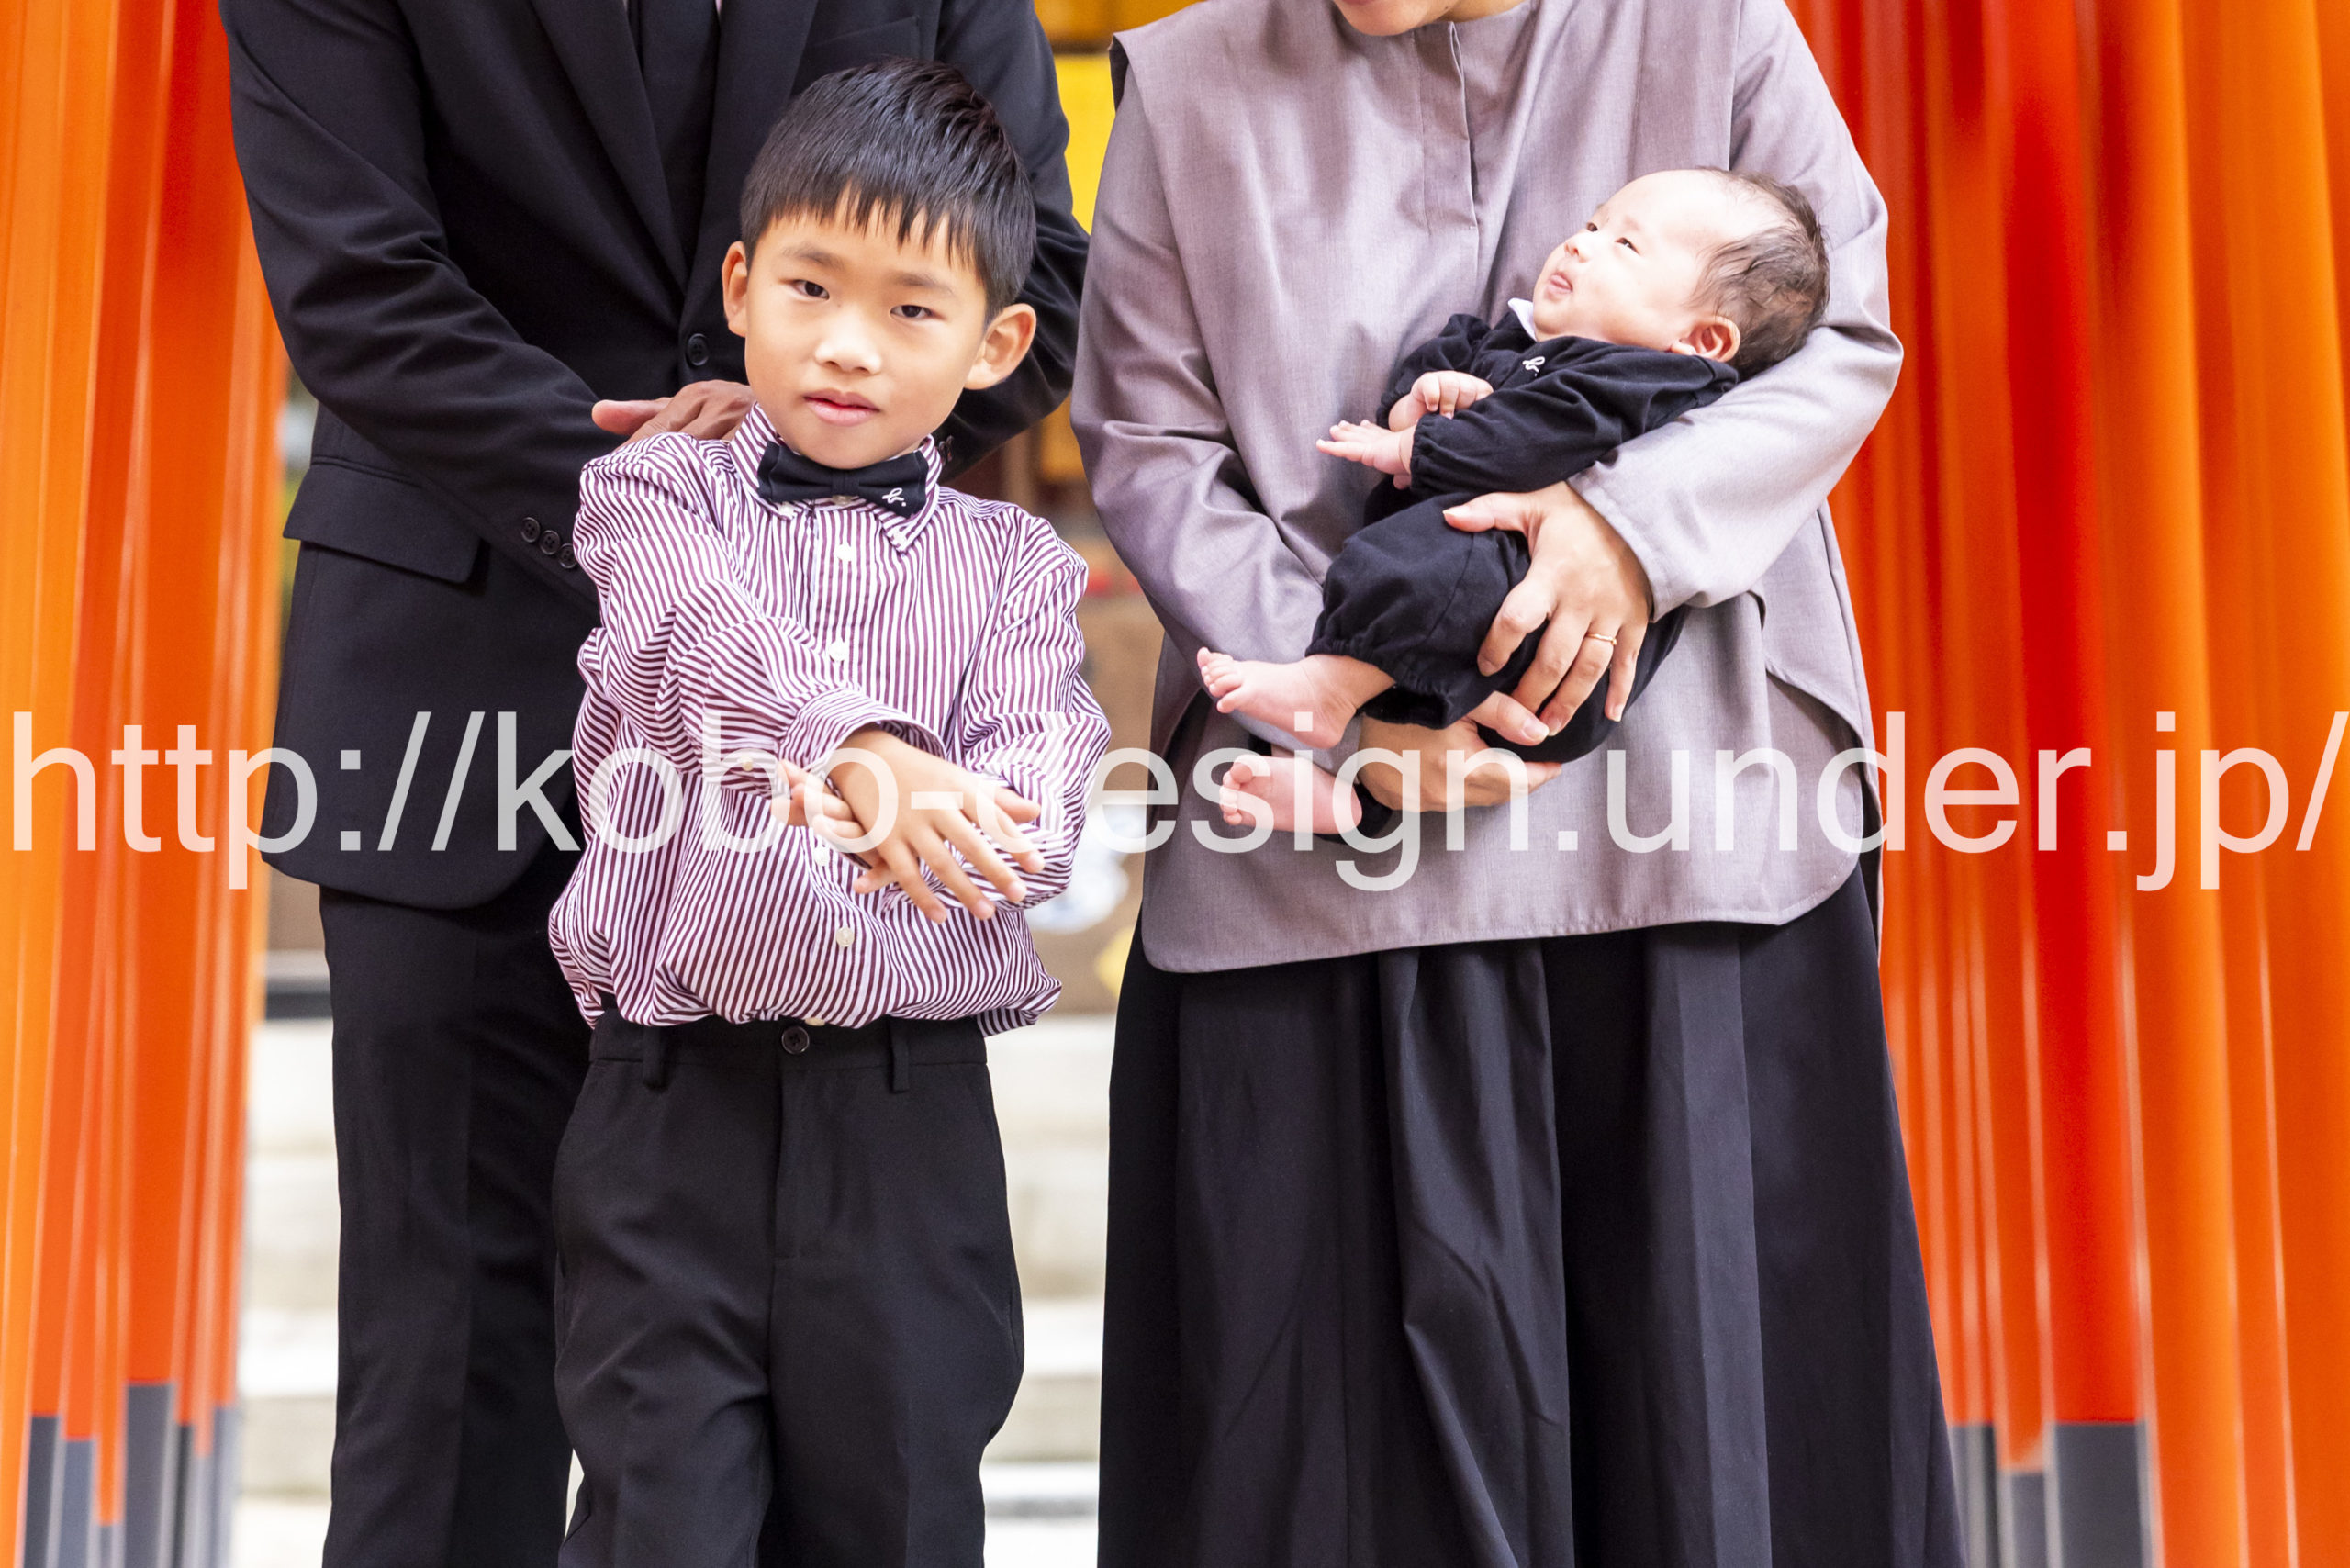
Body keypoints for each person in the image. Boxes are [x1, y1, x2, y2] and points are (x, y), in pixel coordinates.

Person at [1072, 0, 1967, 1564]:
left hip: (1678, 844)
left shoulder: (1714, 29)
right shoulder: (1188, 77)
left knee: (1704, 1468)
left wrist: (1624, 532)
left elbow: (1838, 334)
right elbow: (1151, 440)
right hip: (1316, 882)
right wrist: (1355, 703)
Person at [219, 0, 1085, 1562]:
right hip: (453, 678)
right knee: (442, 1375)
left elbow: (1043, 280)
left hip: (835, 789)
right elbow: (358, 285)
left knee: (848, 1416)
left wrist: (794, 434)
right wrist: (672, 487)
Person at [545, 60, 1110, 1568]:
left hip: (907, 1120)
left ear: (997, 344)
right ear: (741, 287)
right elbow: (684, 633)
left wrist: (966, 819)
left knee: (901, 1515)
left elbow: (1039, 792)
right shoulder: (655, 496)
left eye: (912, 309)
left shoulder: (1017, 570)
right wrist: (851, 746)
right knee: (659, 1519)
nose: (847, 344)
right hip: (673, 1107)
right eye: (809, 287)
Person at [1199, 167, 1829, 834]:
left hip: (1551, 646)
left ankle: (1330, 695)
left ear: (1703, 340)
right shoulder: (1518, 339)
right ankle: (1353, 800)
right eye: (1592, 224)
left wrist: (1419, 450)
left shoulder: (1647, 382)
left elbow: (1532, 438)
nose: (1580, 243)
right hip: (1481, 616)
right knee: (1405, 574)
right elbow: (1438, 370)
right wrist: (1417, 404)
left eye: (1625, 245)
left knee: (1425, 569)